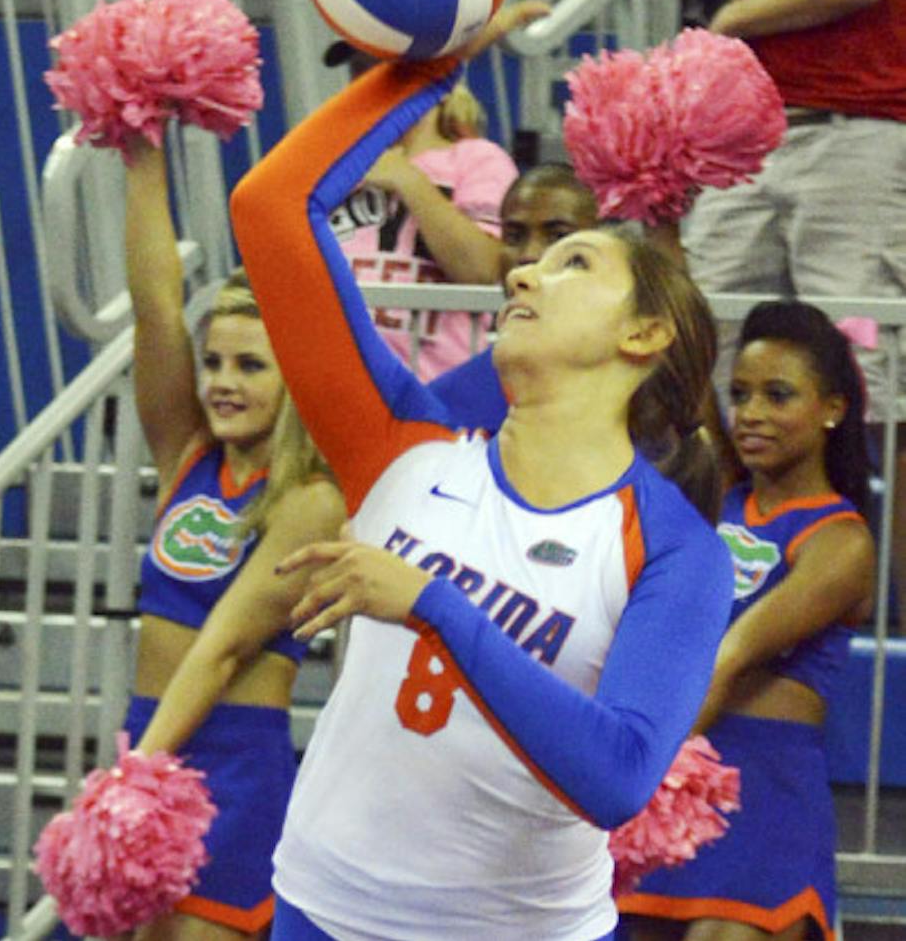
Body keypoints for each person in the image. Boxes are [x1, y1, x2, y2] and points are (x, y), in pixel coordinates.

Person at [228, 46, 734, 939]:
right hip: (323, 906)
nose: (522, 272)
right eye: (532, 260)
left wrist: (434, 606)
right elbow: (269, 207)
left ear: (645, 333)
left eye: (574, 264)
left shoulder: (677, 552)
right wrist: (426, 66)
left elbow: (618, 776)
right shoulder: (402, 445)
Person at [119, 139, 346, 940]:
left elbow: (221, 649)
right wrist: (142, 153)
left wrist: (135, 775)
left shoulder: (312, 499)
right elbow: (155, 306)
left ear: (294, 378)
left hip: (231, 769)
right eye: (213, 360)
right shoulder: (188, 456)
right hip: (150, 740)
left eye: (250, 365)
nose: (220, 380)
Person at [684, 0, 906, 624]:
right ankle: (722, 587)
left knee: (878, 401)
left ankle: (884, 629)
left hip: (864, 133)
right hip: (763, 128)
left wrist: (733, 19)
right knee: (698, 358)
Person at [619, 301, 875, 941]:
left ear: (832, 408)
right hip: (677, 764)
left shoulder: (841, 541)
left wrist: (633, 766)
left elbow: (731, 654)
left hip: (760, 789)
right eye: (739, 395)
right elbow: (684, 359)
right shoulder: (718, 498)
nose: (751, 413)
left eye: (778, 395)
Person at [329, 77, 517, 380]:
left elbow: (483, 269)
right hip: (341, 380)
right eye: (362, 71)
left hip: (438, 384)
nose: (374, 83)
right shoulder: (334, 165)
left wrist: (408, 178)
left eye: (393, 72)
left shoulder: (478, 158)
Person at [423, 163, 601, 433]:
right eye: (514, 236)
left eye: (558, 236)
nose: (529, 254)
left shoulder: (650, 395)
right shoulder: (443, 405)